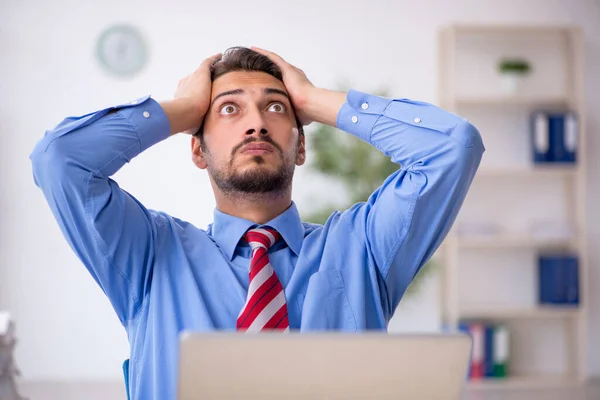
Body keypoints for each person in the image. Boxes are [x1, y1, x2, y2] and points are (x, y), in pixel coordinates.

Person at [30, 46, 484, 399]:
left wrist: (315, 100)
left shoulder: (362, 248)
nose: (256, 125)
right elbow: (59, 161)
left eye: (276, 108)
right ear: (197, 150)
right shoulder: (148, 253)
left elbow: (453, 148)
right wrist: (185, 108)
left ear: (301, 147)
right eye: (230, 109)